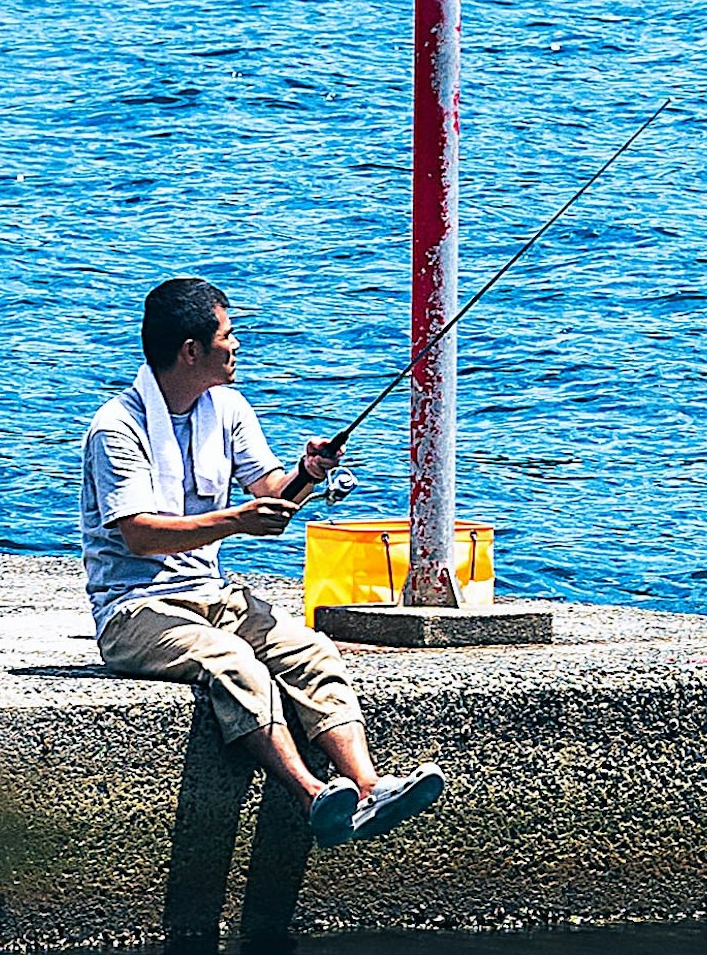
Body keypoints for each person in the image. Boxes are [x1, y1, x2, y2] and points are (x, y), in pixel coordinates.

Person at [82, 278, 446, 844]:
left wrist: (307, 474)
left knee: (312, 650)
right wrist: (236, 519)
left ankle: (369, 788)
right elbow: (139, 536)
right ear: (191, 350)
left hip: (212, 594)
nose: (238, 346)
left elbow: (271, 492)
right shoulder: (116, 429)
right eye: (228, 334)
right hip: (135, 611)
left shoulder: (227, 408)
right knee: (235, 663)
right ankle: (312, 797)